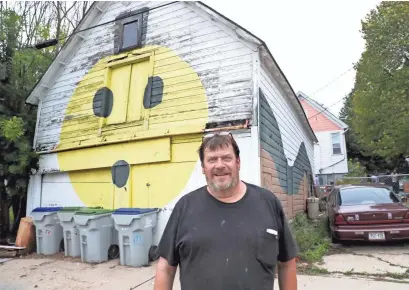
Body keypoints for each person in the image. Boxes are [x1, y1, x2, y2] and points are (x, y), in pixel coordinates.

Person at [154, 131, 298, 290]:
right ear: (203, 167)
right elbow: (165, 268)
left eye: (226, 158)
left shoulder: (268, 203)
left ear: (238, 162)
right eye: (212, 159)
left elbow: (286, 263)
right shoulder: (184, 207)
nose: (220, 165)